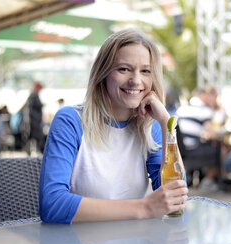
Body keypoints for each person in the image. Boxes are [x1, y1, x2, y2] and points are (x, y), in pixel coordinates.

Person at [39, 28, 188, 224]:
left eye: (145, 71)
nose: (136, 80)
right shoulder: (70, 121)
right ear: (103, 73)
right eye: (124, 69)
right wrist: (144, 208)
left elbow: (175, 199)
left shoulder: (151, 128)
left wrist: (164, 122)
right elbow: (52, 204)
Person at [24, 81, 44, 154]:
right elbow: (29, 110)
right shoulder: (33, 95)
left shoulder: (33, 95)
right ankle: (35, 153)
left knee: (34, 138)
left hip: (34, 122)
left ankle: (33, 152)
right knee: (36, 138)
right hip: (34, 122)